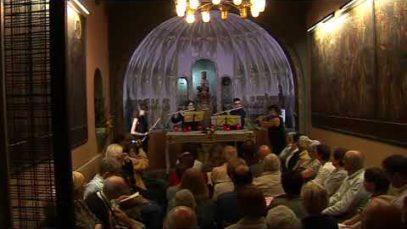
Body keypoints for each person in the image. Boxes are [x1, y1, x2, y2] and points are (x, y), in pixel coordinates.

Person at [322, 150, 370, 218]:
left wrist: (322, 212)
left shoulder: (360, 181)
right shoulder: (350, 174)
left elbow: (344, 207)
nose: (343, 162)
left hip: (346, 218)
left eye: (345, 160)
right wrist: (322, 206)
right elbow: (337, 196)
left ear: (352, 164)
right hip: (336, 213)